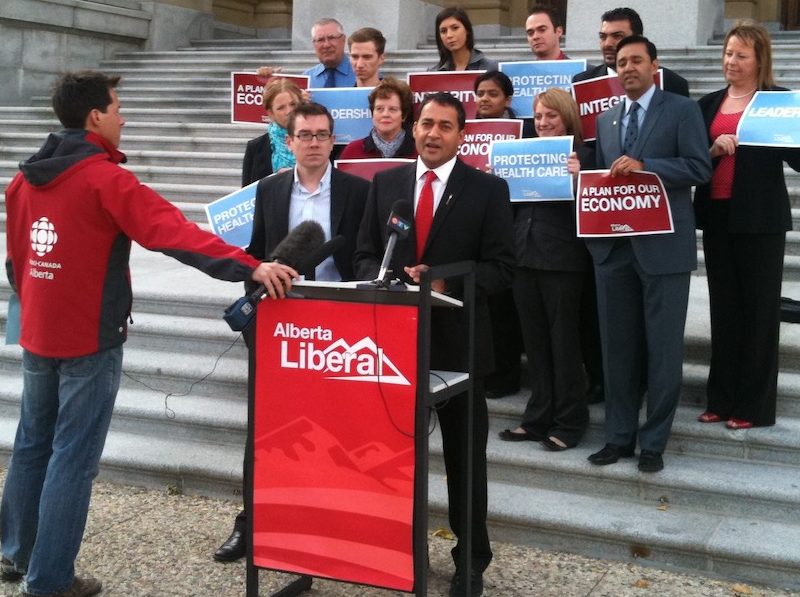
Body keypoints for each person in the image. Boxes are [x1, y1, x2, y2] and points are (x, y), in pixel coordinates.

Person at [0, 70, 296, 597]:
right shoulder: (104, 178)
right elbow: (173, 232)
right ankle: (48, 580)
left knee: (32, 443)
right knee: (73, 455)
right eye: (117, 108)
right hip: (90, 336)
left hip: (38, 331)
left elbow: (16, 261)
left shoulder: (25, 179)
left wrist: (39, 302)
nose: (124, 116)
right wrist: (247, 265)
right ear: (95, 118)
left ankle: (14, 552)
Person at [354, 92, 514, 597]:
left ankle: (470, 561)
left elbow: (502, 268)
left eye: (445, 125)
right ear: (412, 126)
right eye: (425, 123)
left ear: (461, 135)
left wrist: (442, 282)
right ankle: (403, 551)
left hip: (459, 347)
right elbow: (363, 255)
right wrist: (382, 280)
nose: (432, 133)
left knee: (465, 463)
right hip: (392, 346)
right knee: (394, 459)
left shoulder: (487, 190)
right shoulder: (386, 184)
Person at [214, 102, 369, 563]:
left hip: (339, 327)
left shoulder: (359, 191)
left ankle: (329, 523)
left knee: (334, 430)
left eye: (323, 135)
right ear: (291, 140)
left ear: (333, 139)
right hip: (282, 324)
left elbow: (365, 255)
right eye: (306, 135)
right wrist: (260, 289)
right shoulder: (269, 190)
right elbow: (254, 256)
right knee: (267, 427)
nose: (315, 143)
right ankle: (252, 522)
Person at [585, 36, 711, 473]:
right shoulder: (606, 120)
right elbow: (604, 178)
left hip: (664, 251)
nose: (627, 68)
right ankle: (618, 437)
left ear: (654, 65)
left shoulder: (681, 109)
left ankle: (653, 442)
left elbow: (699, 167)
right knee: (616, 350)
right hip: (615, 249)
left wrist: (648, 166)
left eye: (636, 60)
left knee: (662, 351)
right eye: (621, 62)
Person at [694, 20, 800, 430]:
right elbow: (691, 160)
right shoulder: (707, 104)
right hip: (718, 217)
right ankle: (720, 398)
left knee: (758, 313)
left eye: (740, 55)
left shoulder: (779, 101)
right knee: (725, 311)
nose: (731, 61)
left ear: (759, 60)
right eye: (727, 53)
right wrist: (712, 149)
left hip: (761, 220)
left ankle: (753, 406)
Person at [498, 88, 593, 450]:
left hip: (563, 261)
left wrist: (578, 179)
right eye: (538, 116)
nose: (543, 122)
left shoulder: (583, 157)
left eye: (551, 116)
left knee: (564, 344)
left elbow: (594, 210)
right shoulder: (523, 154)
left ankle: (570, 423)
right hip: (524, 258)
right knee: (535, 344)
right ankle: (537, 418)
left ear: (567, 116)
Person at [472, 70, 525, 399]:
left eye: (492, 93)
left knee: (505, 311)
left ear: (507, 100)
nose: (485, 99)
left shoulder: (523, 133)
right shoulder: (466, 133)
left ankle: (507, 375)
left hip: (511, 227)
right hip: (474, 227)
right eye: (480, 93)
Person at [572, 7, 690, 97]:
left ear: (638, 39)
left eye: (617, 36)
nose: (607, 44)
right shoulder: (582, 84)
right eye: (603, 37)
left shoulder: (672, 83)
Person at [256, 17, 355, 88]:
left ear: (343, 40)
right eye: (320, 40)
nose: (326, 45)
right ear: (314, 44)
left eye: (331, 38)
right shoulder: (306, 79)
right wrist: (269, 82)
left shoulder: (360, 73)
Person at [241, 77, 303, 186]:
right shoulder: (255, 148)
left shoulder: (316, 141)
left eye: (293, 104)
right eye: (281, 108)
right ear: (270, 113)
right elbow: (246, 194)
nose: (289, 111)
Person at [339, 77, 417, 159]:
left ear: (404, 115)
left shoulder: (418, 152)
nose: (385, 114)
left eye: (392, 109)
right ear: (372, 113)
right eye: (379, 109)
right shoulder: (351, 152)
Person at [430, 7, 497, 72]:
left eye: (455, 28)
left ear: (467, 29)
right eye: (443, 31)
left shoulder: (490, 68)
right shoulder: (434, 73)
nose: (449, 35)